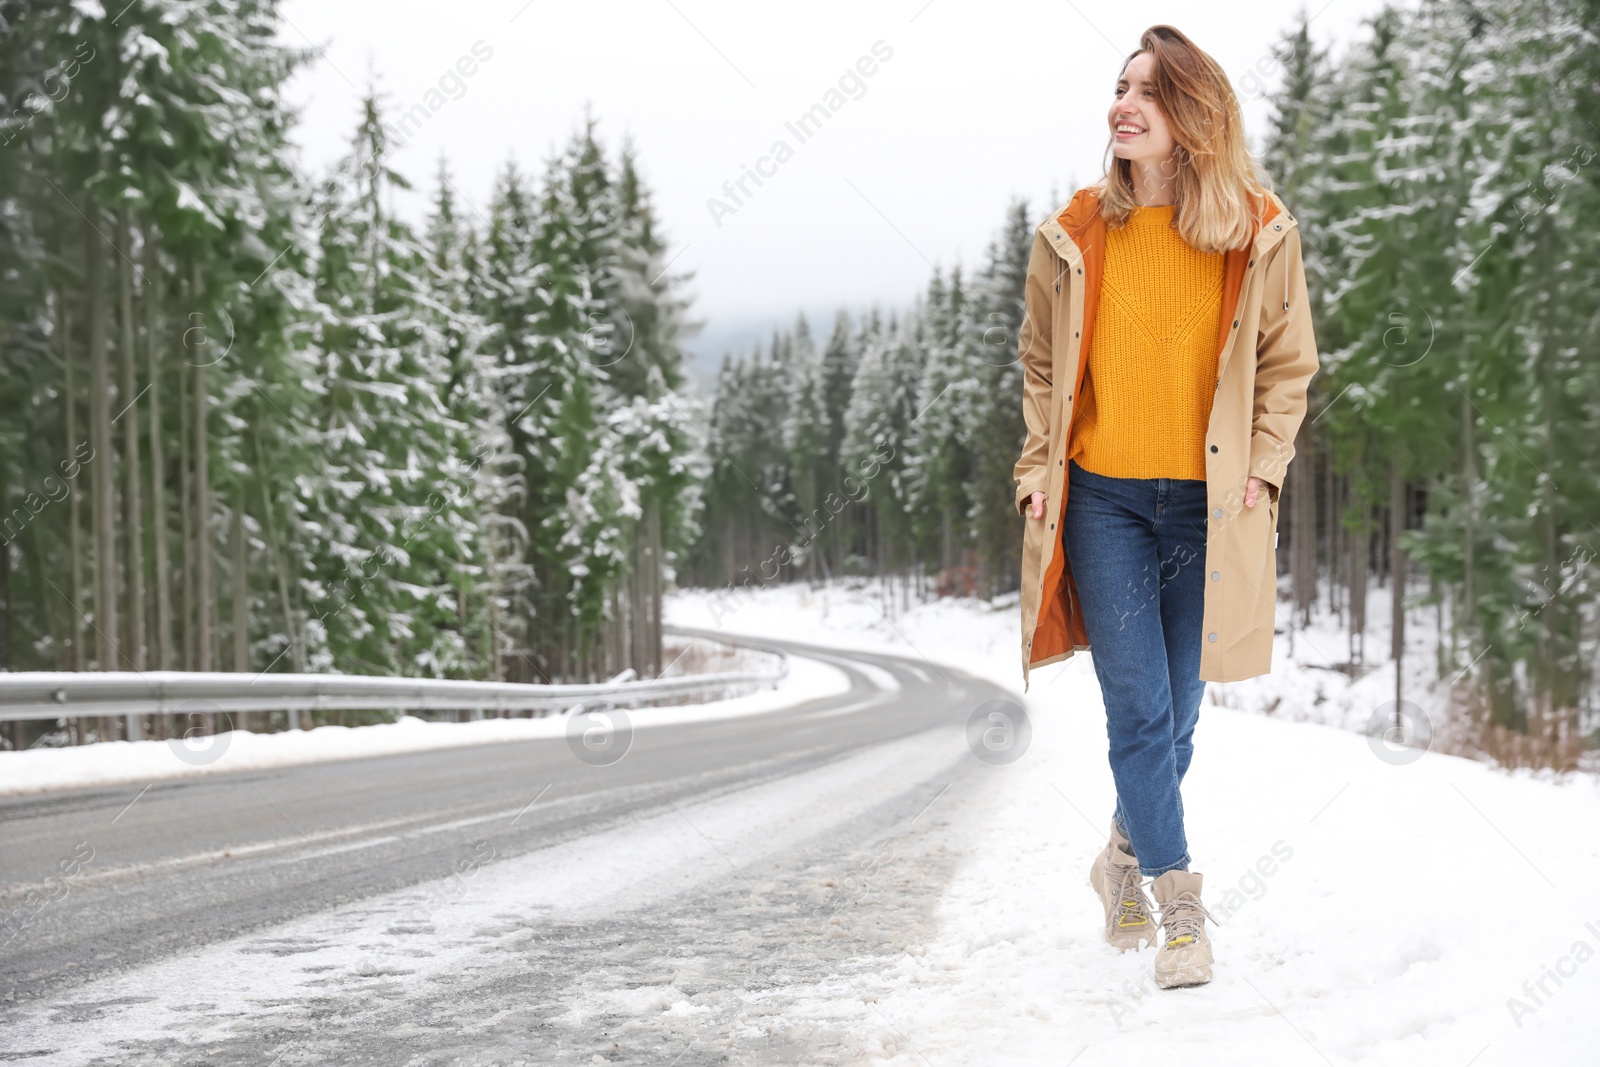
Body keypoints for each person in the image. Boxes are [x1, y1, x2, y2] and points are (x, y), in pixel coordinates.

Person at [1011, 25, 1321, 989]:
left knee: (1181, 712)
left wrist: (1265, 468)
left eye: (1148, 91)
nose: (1123, 104)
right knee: (1140, 707)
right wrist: (1035, 464)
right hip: (1101, 501)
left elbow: (1287, 367)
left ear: (1193, 117)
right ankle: (1180, 905)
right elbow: (1037, 363)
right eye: (1119, 85)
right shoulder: (1073, 232)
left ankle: (1120, 850)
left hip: (1206, 509)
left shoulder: (1257, 229)